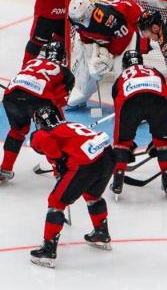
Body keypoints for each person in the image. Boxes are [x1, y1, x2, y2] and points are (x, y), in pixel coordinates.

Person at [28, 106, 114, 267]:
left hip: (84, 165)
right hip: (107, 157)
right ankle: (101, 234)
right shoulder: (72, 125)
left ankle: (48, 251)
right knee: (92, 195)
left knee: (56, 202)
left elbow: (45, 142)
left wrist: (59, 159)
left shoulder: (42, 133)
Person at [0, 41, 75, 184]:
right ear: (63, 57)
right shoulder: (65, 72)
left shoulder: (32, 62)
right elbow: (59, 101)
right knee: (54, 132)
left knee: (17, 131)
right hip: (37, 99)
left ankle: (5, 169)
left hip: (11, 96)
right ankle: (60, 172)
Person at [109, 51, 167, 199]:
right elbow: (165, 90)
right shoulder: (154, 70)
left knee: (121, 143)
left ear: (125, 64)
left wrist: (127, 143)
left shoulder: (122, 76)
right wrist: (158, 140)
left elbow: (117, 102)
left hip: (129, 102)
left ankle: (118, 180)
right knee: (163, 142)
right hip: (160, 102)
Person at [65, 0, 144, 108]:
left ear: (88, 11)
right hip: (111, 34)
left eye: (81, 18)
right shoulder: (74, 18)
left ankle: (134, 107)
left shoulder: (108, 18)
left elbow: (124, 37)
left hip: (131, 26)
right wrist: (94, 56)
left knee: (122, 72)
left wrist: (108, 58)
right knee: (90, 66)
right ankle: (81, 94)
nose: (79, 22)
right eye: (77, 20)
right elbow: (84, 36)